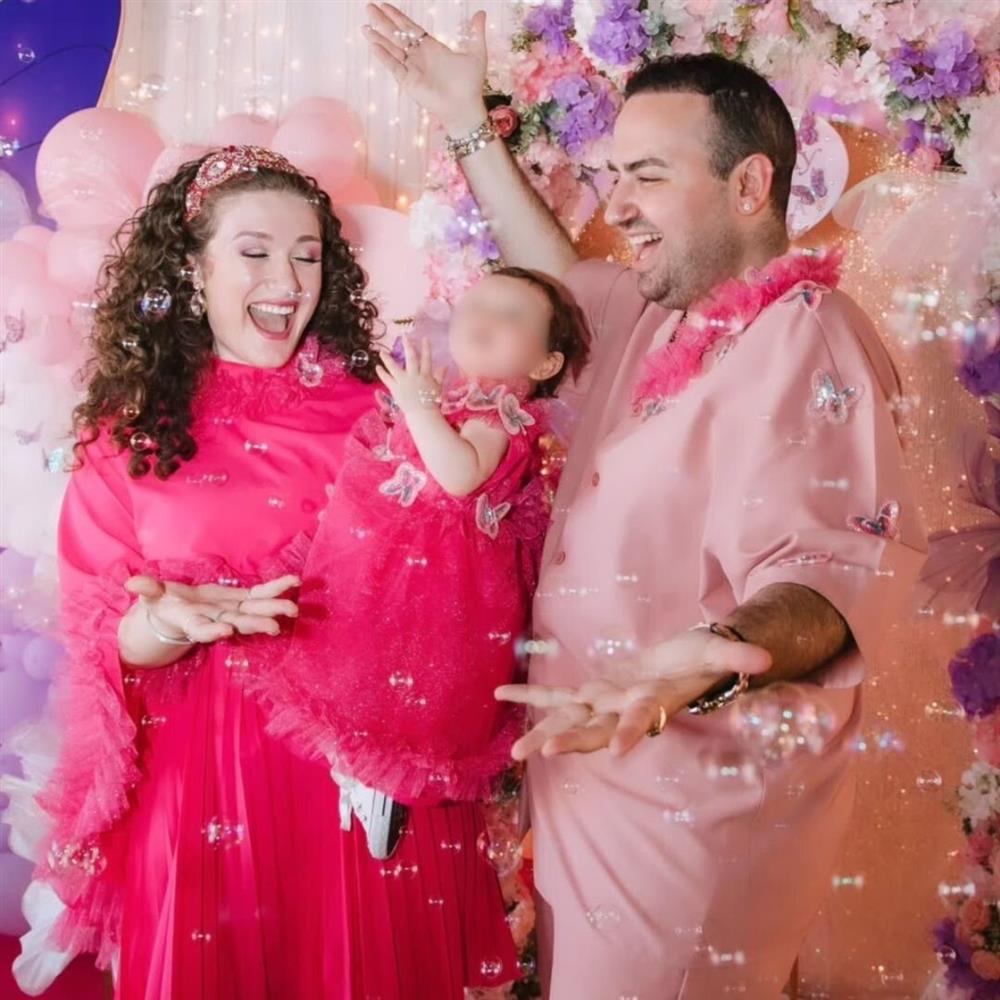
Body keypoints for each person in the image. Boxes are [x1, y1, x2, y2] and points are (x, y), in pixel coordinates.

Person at [364, 6, 927, 996]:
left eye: (649, 177)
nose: (619, 205)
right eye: (616, 174)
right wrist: (465, 122)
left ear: (749, 186)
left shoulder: (806, 334)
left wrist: (705, 660)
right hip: (591, 789)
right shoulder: (653, 310)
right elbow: (555, 284)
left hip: (688, 828)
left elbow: (827, 572)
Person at [22, 145, 521, 1000]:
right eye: (254, 251)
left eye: (307, 255)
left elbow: (455, 595)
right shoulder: (127, 433)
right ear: (192, 267)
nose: (287, 280)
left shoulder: (386, 412)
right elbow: (107, 640)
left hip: (357, 780)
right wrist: (168, 623)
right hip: (201, 780)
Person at [252, 267, 587, 859]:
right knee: (350, 662)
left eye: (511, 316)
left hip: (436, 586)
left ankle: (381, 785)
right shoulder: (455, 399)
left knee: (401, 688)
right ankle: (355, 768)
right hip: (383, 564)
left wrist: (418, 409)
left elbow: (459, 476)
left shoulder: (500, 414)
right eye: (476, 304)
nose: (485, 318)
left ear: (544, 364)